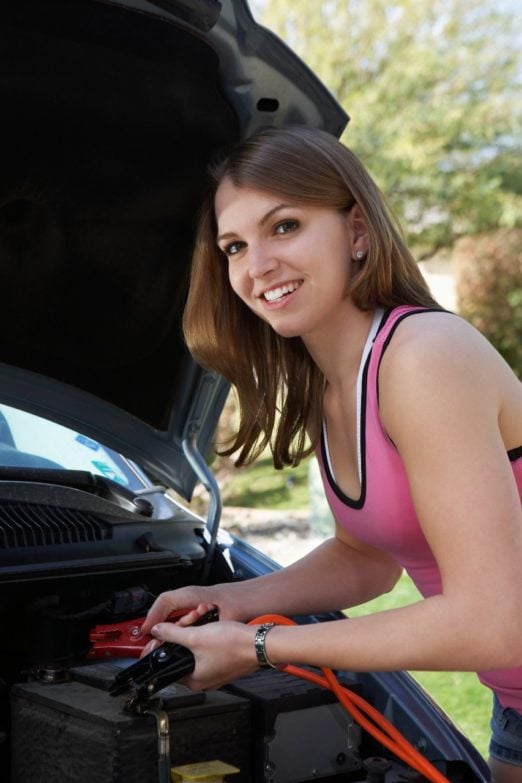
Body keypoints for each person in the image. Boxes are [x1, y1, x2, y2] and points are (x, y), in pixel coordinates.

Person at [141, 126, 522, 783]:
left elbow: (494, 620)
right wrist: (234, 600)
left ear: (357, 233)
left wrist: (259, 646)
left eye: (284, 226)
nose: (256, 266)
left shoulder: (423, 355)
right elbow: (367, 557)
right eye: (235, 245)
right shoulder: (334, 383)